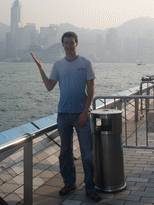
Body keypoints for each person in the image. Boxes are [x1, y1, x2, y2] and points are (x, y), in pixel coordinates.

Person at [30, 31, 101, 202]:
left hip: (81, 115)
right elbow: (49, 87)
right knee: (65, 153)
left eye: (72, 42)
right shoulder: (58, 65)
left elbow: (91, 90)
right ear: (62, 44)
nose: (69, 45)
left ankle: (91, 187)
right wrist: (41, 68)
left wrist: (85, 112)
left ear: (77, 43)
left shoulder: (86, 63)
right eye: (66, 42)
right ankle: (69, 183)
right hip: (63, 115)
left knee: (87, 154)